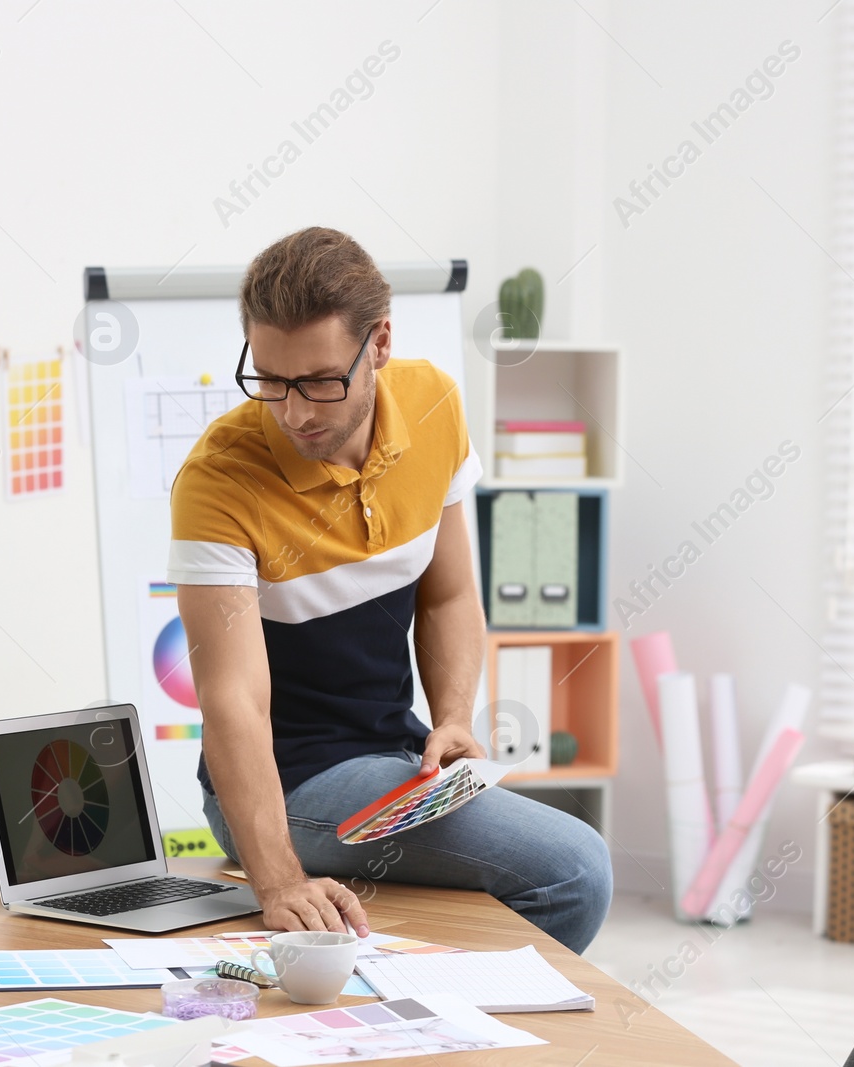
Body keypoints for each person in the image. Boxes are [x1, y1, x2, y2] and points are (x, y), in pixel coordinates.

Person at [167, 226, 611, 953]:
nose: (295, 412)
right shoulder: (219, 479)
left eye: (318, 381)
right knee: (575, 869)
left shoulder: (435, 402)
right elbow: (233, 700)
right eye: (271, 381)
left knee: (567, 868)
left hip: (397, 758)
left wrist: (455, 717)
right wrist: (277, 880)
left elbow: (447, 595)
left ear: (379, 343)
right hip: (292, 781)